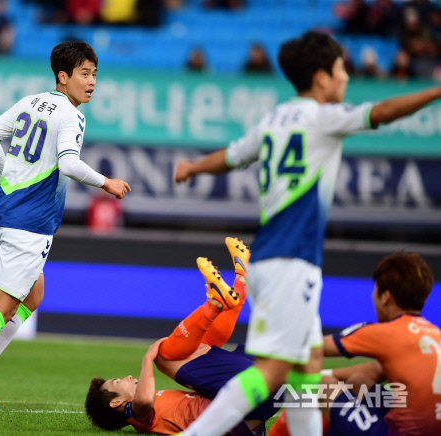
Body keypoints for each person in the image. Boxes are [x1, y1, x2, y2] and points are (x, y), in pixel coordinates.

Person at [174, 30, 441, 436]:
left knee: (308, 369)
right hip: (290, 263)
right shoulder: (324, 117)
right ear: (321, 78)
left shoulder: (273, 120)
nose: (347, 78)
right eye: (341, 70)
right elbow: (383, 112)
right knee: (270, 372)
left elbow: (229, 157)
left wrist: (193, 167)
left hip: (275, 260)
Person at [0, 40, 131, 413]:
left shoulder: (31, 102)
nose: (92, 82)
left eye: (94, 74)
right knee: (0, 306)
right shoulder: (72, 116)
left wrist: (12, 174)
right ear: (63, 77)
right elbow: (69, 164)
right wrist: (105, 182)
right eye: (84, 74)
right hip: (29, 225)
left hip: (4, 216)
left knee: (32, 296)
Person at [85, 238, 279, 435]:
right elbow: (144, 401)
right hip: (241, 401)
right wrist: (147, 360)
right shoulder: (135, 416)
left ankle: (239, 284)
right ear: (116, 402)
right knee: (163, 356)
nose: (127, 377)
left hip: (258, 404)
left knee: (303, 391)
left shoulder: (160, 409)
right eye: (118, 382)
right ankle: (216, 302)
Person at [269, 251, 441, 436]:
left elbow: (311, 348)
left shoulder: (386, 332)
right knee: (360, 382)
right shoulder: (435, 333)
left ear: (386, 297)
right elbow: (375, 371)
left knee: (320, 386)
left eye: (375, 289)